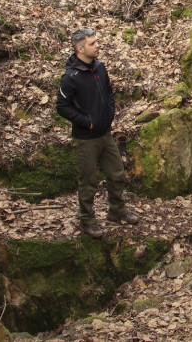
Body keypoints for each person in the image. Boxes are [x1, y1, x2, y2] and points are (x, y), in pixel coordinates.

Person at [56, 27, 138, 238]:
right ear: (79, 48)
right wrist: (87, 123)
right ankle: (87, 219)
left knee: (117, 172)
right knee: (88, 180)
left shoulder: (100, 67)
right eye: (92, 43)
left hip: (105, 133)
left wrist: (109, 113)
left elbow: (109, 92)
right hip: (86, 138)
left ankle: (116, 210)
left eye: (96, 41)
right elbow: (62, 107)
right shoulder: (70, 77)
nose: (97, 45)